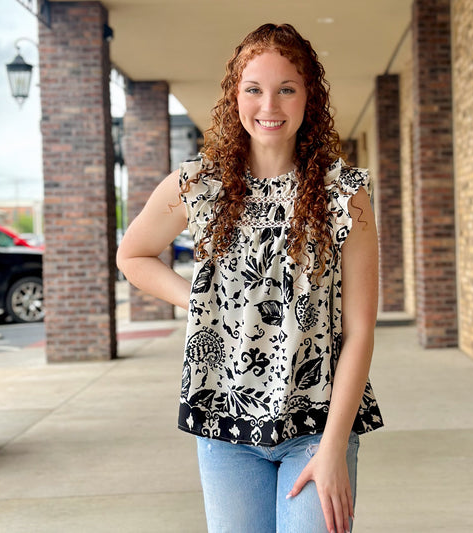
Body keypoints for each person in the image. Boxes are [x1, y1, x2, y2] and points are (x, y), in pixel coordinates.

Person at [117, 23, 383, 533]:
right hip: (223, 424)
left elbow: (361, 332)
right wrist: (197, 300)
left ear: (311, 97)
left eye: (287, 88)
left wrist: (332, 450)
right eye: (254, 89)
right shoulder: (198, 183)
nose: (270, 106)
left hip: (317, 425)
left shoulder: (345, 194)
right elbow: (133, 255)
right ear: (234, 96)